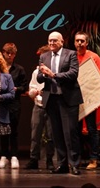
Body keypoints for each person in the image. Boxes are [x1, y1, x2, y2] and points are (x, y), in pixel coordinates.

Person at [37, 31, 83, 175]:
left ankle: (74, 164)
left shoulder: (71, 54)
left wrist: (53, 75)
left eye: (54, 40)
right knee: (56, 134)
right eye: (50, 40)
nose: (51, 43)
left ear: (62, 42)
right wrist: (43, 74)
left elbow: (73, 73)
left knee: (70, 133)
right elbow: (39, 78)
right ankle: (62, 164)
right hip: (51, 99)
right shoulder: (44, 56)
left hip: (68, 99)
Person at [73, 31, 100, 170]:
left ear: (87, 43)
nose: (79, 43)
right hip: (75, 98)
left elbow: (97, 78)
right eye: (77, 40)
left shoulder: (94, 57)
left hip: (90, 98)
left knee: (92, 129)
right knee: (76, 130)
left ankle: (93, 159)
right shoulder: (71, 56)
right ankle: (77, 159)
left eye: (82, 41)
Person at [0, 42, 27, 170]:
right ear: (3, 53)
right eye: (7, 53)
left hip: (14, 103)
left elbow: (24, 86)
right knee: (2, 130)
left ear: (15, 54)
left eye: (12, 53)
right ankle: (4, 156)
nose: (9, 55)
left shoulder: (19, 69)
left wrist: (16, 89)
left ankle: (14, 156)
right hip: (1, 103)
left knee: (13, 130)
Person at [24, 45, 55, 171]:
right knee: (35, 133)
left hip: (51, 106)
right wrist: (35, 92)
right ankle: (33, 159)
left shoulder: (54, 72)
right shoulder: (36, 72)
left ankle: (49, 159)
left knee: (50, 135)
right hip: (38, 105)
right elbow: (31, 89)